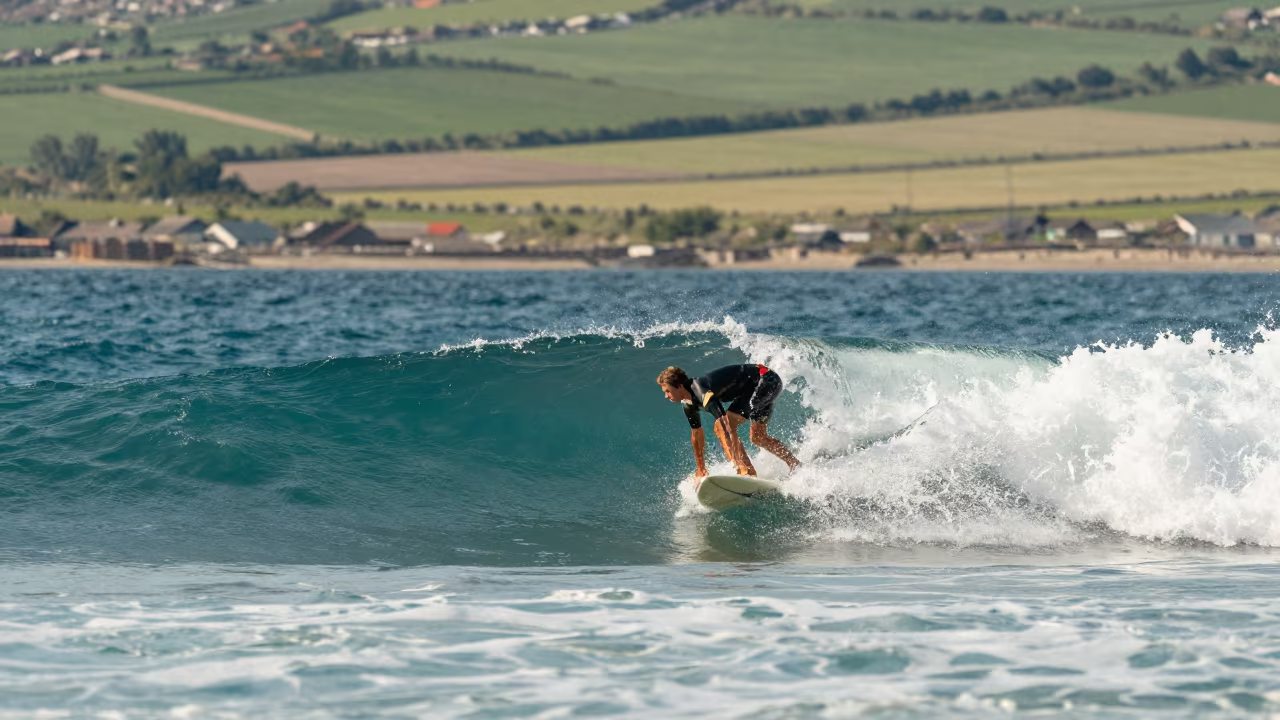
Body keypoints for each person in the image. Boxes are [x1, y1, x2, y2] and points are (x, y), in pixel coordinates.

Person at [657, 364, 800, 478]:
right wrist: (701, 468)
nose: (666, 396)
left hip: (765, 380)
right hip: (753, 388)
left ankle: (747, 472)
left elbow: (724, 423)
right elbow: (696, 435)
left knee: (723, 426)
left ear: (680, 386)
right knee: (758, 437)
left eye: (667, 391)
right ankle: (795, 464)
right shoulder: (688, 403)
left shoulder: (700, 390)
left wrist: (739, 465)